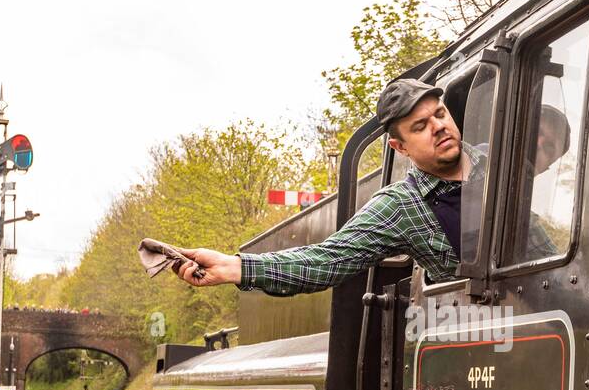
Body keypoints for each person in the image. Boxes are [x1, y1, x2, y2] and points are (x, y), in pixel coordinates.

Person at [172, 78, 480, 294]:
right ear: (401, 147)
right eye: (421, 126)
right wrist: (234, 268)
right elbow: (326, 260)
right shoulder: (400, 206)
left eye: (439, 114)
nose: (438, 127)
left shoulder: (502, 158)